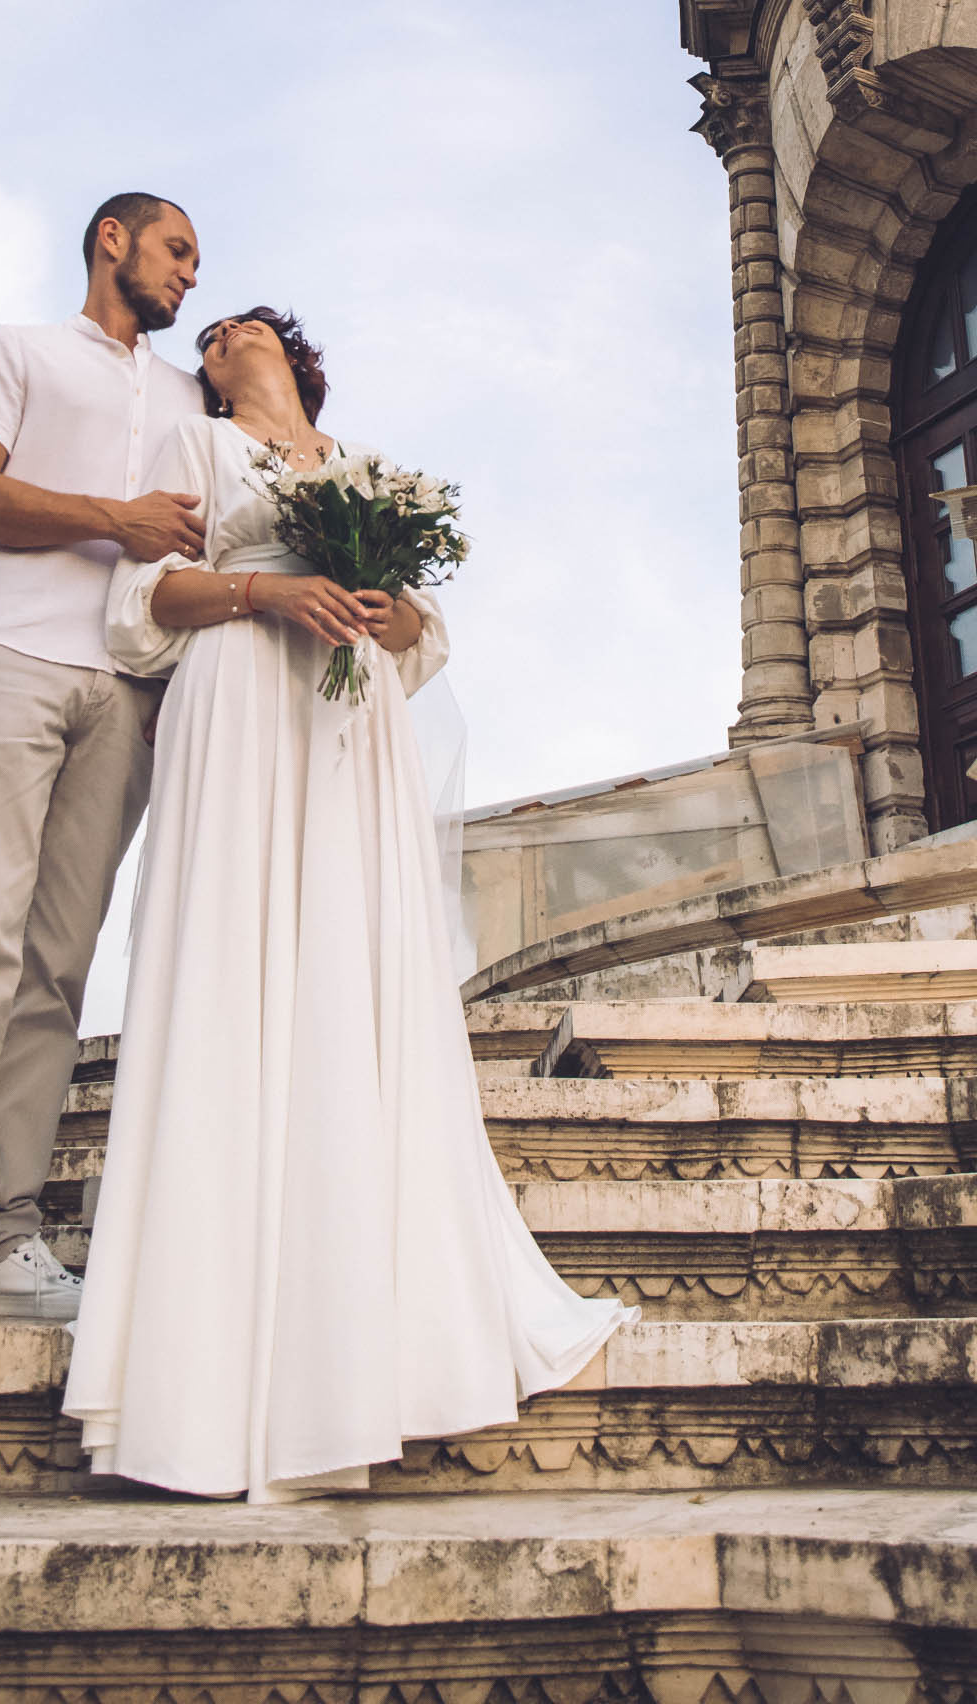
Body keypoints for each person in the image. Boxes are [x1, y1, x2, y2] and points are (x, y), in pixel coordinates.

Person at [62, 307, 629, 1499]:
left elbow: (426, 637)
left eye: (238, 324)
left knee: (352, 971)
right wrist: (266, 598)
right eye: (205, 334)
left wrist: (387, 610)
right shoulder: (199, 451)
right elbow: (136, 607)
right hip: (239, 699)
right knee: (234, 961)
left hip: (350, 717)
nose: (216, 338)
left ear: (290, 351)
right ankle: (206, 1375)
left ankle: (376, 1334)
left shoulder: (368, 472)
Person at [0, 192, 205, 1340]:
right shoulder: (15, 351)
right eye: (177, 251)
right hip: (13, 658)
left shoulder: (188, 397)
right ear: (112, 240)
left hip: (129, 690)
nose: (187, 277)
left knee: (57, 965)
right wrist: (106, 519)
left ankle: (14, 1229)